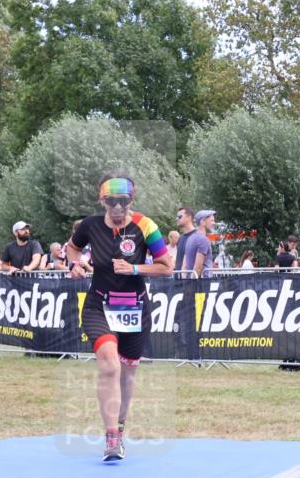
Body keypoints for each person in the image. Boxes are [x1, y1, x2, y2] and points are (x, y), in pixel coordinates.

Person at [65, 172, 172, 461]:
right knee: (110, 364)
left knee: (127, 374)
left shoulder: (146, 226)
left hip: (135, 308)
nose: (117, 208)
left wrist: (135, 269)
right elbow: (72, 248)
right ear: (102, 200)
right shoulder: (89, 225)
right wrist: (74, 265)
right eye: (111, 201)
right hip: (98, 305)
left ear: (131, 200)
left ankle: (120, 430)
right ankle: (111, 438)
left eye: (123, 201)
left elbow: (166, 266)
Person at [183, 210, 216, 277]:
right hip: (203, 282)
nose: (214, 223)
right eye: (212, 221)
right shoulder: (203, 240)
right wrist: (193, 282)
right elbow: (198, 267)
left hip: (190, 280)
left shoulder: (190, 238)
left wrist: (186, 281)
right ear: (202, 222)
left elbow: (184, 266)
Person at [174, 207, 196, 272]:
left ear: (189, 218)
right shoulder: (180, 238)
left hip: (191, 277)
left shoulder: (197, 237)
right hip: (178, 277)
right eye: (176, 217)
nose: (176, 219)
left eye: (179, 216)